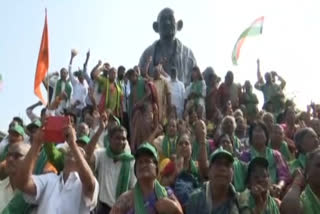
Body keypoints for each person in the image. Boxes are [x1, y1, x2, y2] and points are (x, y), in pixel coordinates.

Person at [14, 123, 99, 214]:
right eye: (71, 148)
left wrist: (73, 144)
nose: (74, 149)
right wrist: (36, 143)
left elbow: (90, 185)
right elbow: (22, 183)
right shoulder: (50, 179)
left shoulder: (88, 183)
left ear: (86, 162)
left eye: (81, 150)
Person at [111, 143, 183, 214]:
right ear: (135, 170)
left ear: (156, 168)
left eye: (147, 161)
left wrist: (174, 208)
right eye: (140, 162)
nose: (143, 165)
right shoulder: (126, 200)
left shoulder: (167, 194)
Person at [86, 123, 136, 214]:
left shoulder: (131, 161)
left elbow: (133, 188)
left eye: (123, 139)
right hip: (102, 208)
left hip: (122, 209)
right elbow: (87, 156)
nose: (121, 142)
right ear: (110, 139)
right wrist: (100, 129)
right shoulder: (101, 154)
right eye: (117, 138)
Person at [139, 8, 197, 85]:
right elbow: (139, 80)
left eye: (171, 19)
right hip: (155, 95)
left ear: (179, 25)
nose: (167, 22)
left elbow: (196, 82)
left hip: (181, 95)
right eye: (163, 20)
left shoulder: (189, 55)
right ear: (156, 27)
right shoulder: (147, 54)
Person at [240, 121, 291, 198]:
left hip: (275, 193)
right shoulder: (245, 155)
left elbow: (283, 175)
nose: (258, 134)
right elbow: (243, 178)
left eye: (260, 131)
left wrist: (279, 186)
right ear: (251, 136)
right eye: (256, 131)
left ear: (266, 136)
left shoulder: (276, 154)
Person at [186, 147, 242, 214]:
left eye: (227, 165)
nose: (222, 168)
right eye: (218, 164)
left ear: (233, 173)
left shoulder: (240, 201)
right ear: (209, 171)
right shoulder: (195, 199)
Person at [281, 148, 320, 214]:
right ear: (307, 171)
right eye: (319, 165)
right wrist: (296, 184)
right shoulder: (301, 200)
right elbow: (289, 210)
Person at [127, 68, 158, 152]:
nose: (130, 80)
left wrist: (141, 102)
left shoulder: (144, 81)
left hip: (146, 108)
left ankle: (148, 147)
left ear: (135, 75)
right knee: (136, 128)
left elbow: (149, 93)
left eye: (131, 78)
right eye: (129, 79)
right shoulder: (133, 86)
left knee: (147, 128)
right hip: (137, 111)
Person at [0, 143, 32, 213]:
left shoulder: (31, 198)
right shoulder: (1, 185)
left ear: (30, 161)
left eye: (17, 155)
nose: (10, 159)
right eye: (9, 154)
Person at [68, 49, 89, 115]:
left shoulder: (86, 84)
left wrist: (87, 58)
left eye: (82, 75)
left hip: (84, 108)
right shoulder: (75, 83)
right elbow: (69, 70)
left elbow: (85, 67)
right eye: (79, 75)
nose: (81, 76)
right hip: (75, 107)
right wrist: (71, 58)